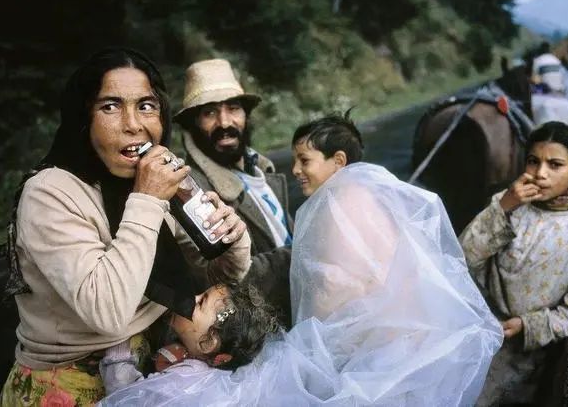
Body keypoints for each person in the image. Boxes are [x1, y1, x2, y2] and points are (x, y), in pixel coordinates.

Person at [100, 113, 502, 406]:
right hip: (400, 339)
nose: (294, 170)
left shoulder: (342, 201)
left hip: (375, 345)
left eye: (305, 160)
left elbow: (340, 286)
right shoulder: (369, 194)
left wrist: (307, 339)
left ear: (339, 161)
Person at [0, 47, 252, 406]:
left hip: (148, 373)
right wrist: (146, 200)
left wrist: (231, 239)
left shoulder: (150, 174)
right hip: (68, 387)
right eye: (110, 106)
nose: (133, 124)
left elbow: (216, 276)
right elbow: (108, 313)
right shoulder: (49, 193)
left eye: (146, 106)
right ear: (83, 117)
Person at [459, 121, 568, 405]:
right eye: (533, 161)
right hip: (488, 326)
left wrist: (529, 325)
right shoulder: (508, 203)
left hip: (538, 343)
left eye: (555, 165)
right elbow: (464, 255)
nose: (540, 173)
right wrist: (504, 206)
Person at [173, 58, 293, 326]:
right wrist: (307, 252)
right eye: (210, 113)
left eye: (234, 108)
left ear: (246, 115)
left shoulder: (259, 170)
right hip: (267, 326)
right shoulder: (190, 191)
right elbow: (221, 281)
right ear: (193, 123)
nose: (225, 122)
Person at [100, 282, 280, 395]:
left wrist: (121, 333)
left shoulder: (186, 379)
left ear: (210, 344)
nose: (193, 297)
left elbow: (123, 394)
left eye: (201, 302)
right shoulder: (195, 358)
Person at [529, 43, 568, 126]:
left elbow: (534, 80)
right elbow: (562, 84)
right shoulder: (556, 61)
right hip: (560, 99)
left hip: (542, 98)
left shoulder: (537, 60)